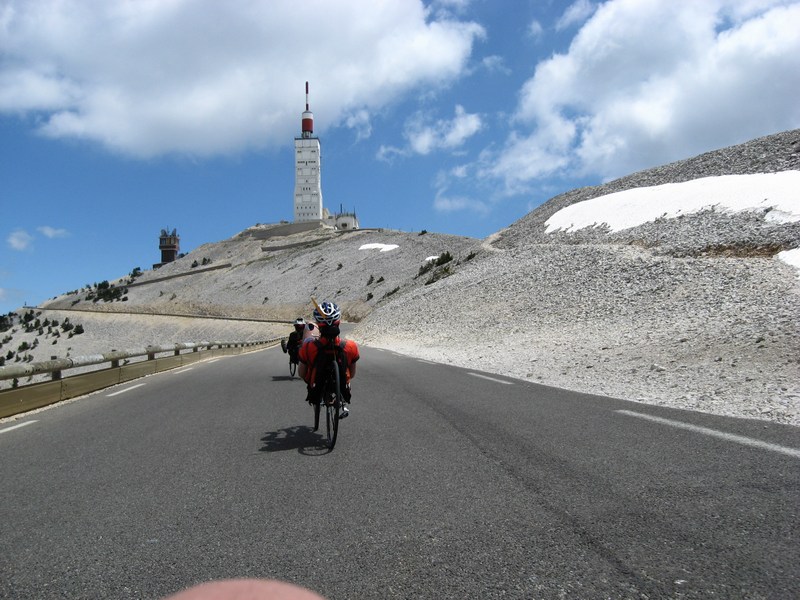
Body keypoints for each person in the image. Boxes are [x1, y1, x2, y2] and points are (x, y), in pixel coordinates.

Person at [298, 301, 359, 419]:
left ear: (318, 324)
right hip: (342, 384)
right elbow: (352, 374)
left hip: (316, 384)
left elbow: (301, 373)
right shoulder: (351, 346)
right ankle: (340, 399)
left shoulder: (308, 347)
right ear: (338, 322)